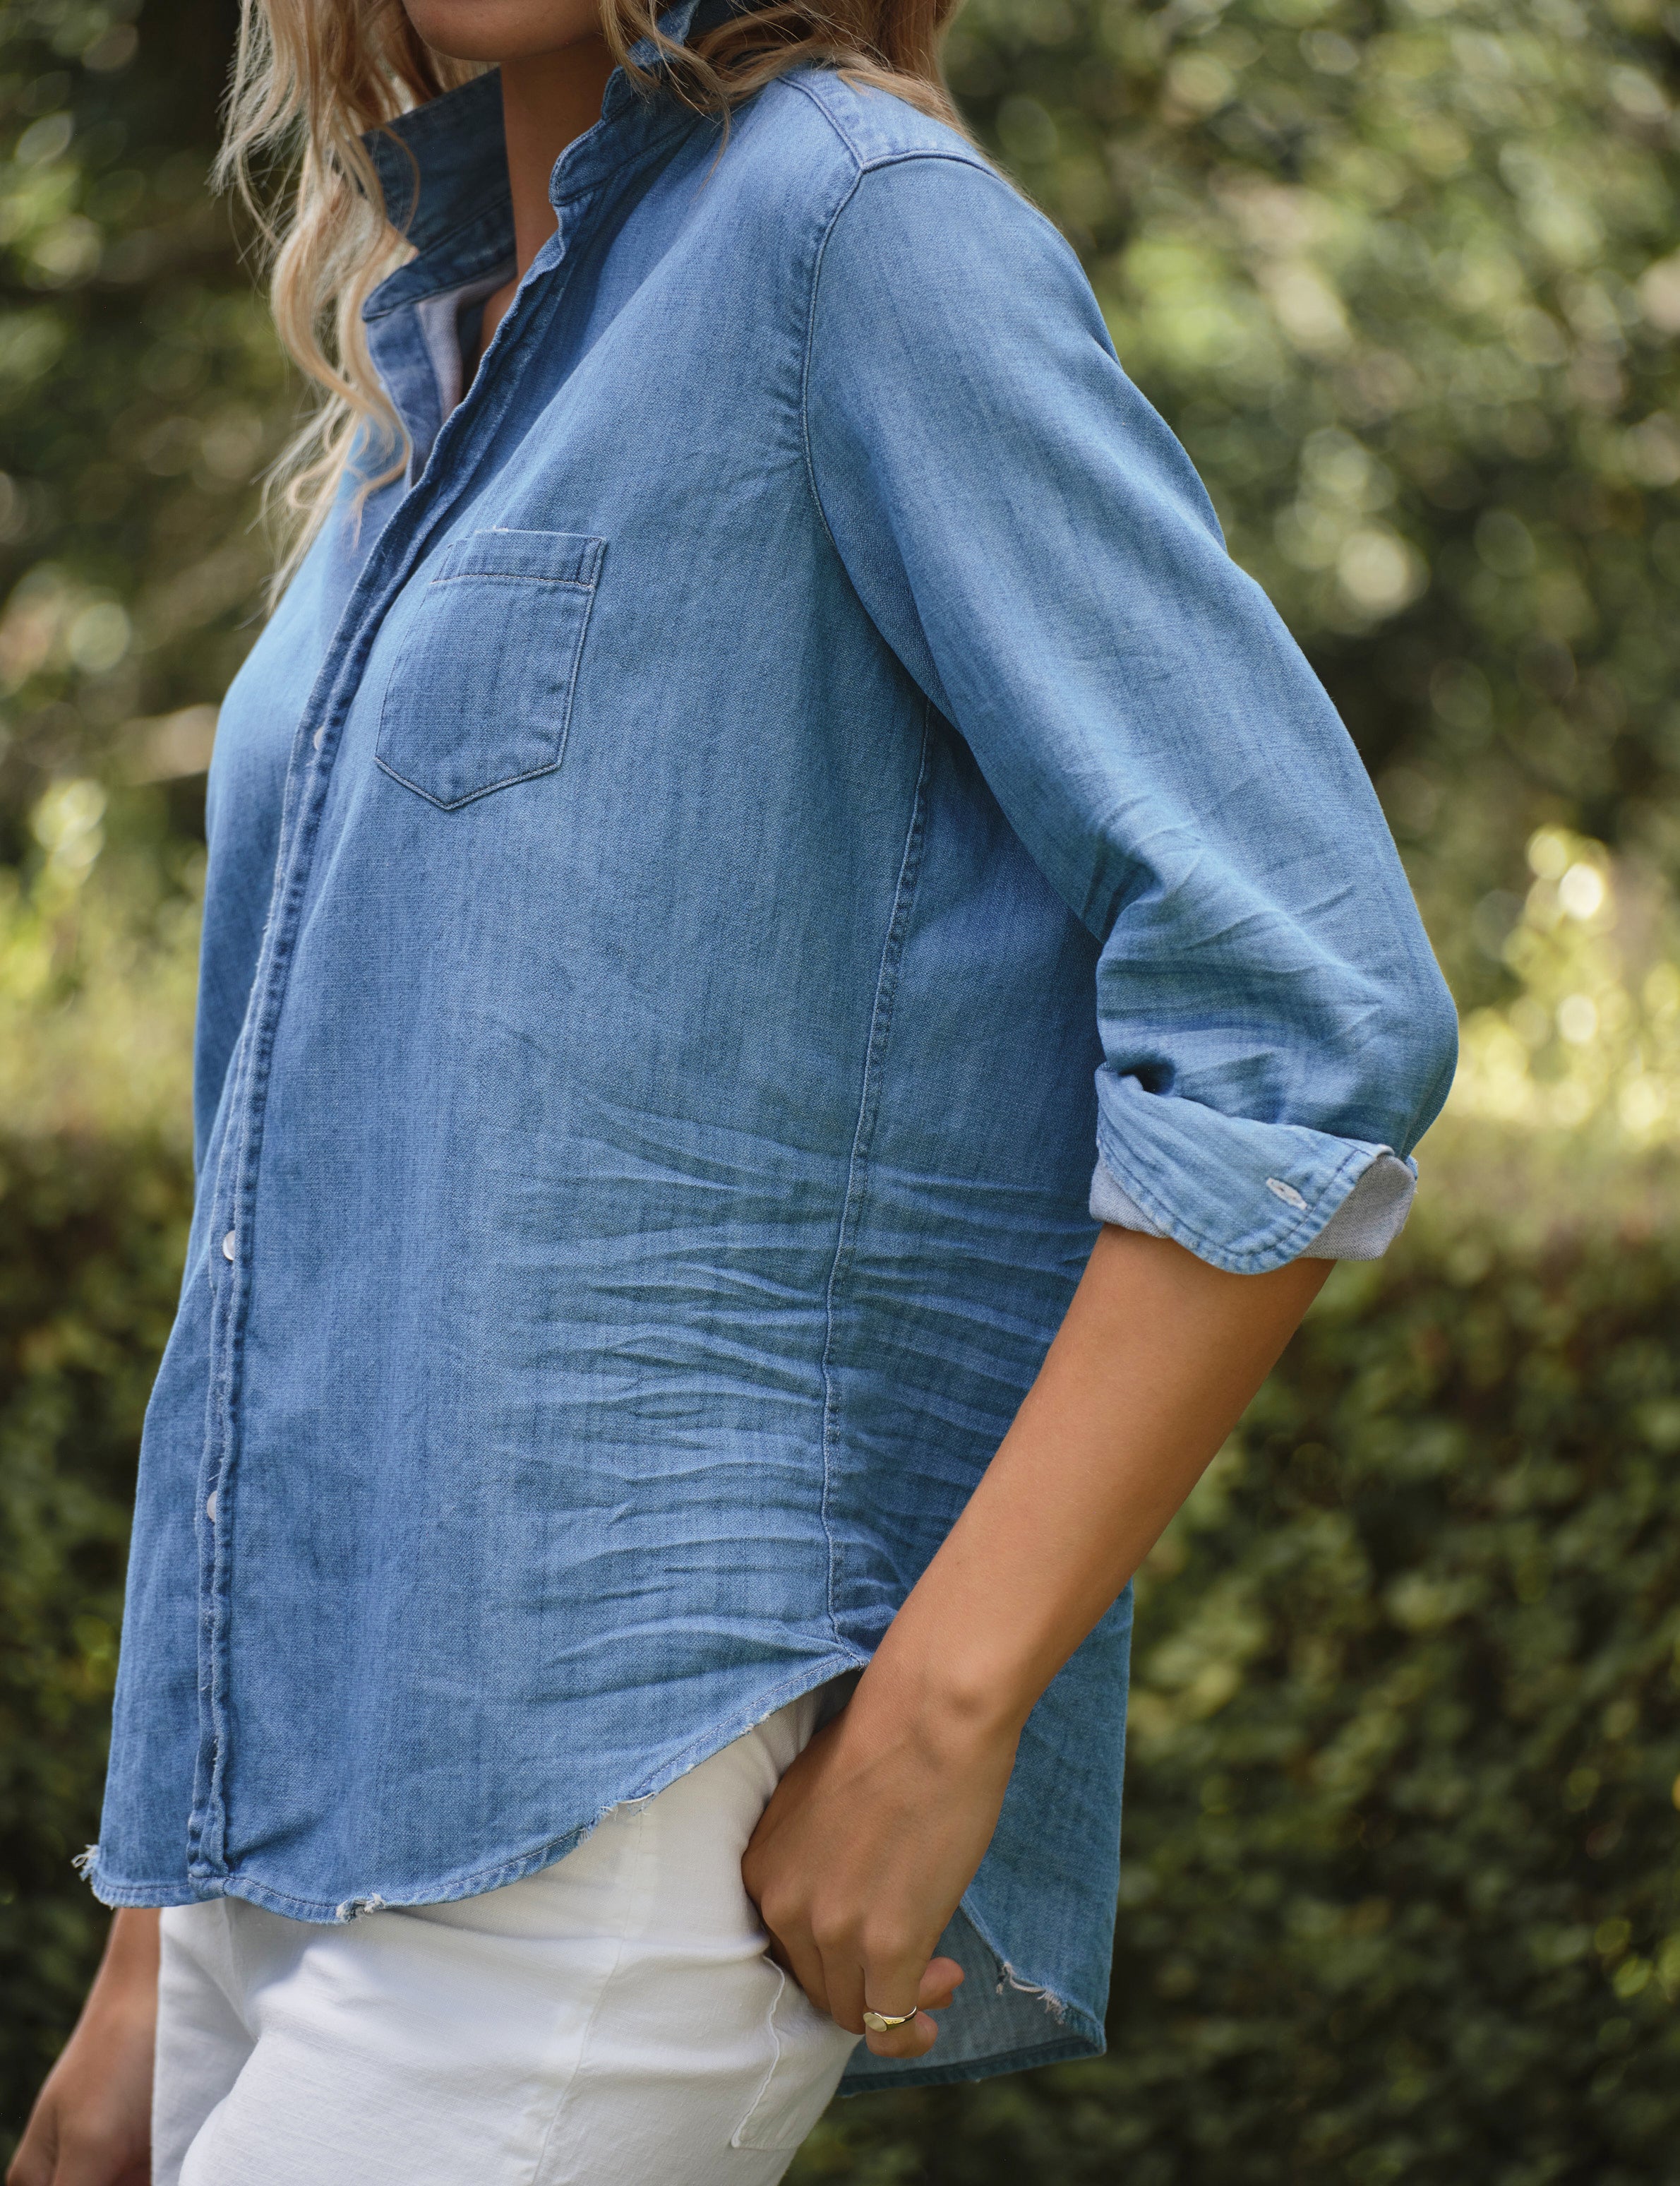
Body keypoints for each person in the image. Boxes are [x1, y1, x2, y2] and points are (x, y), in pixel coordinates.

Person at [10, 0, 1458, 2178]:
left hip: (610, 1794)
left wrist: (942, 1715)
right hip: (276, 1828)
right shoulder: (440, 339)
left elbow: (1306, 994)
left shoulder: (854, 230)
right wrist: (162, 1922)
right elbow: (289, 1192)